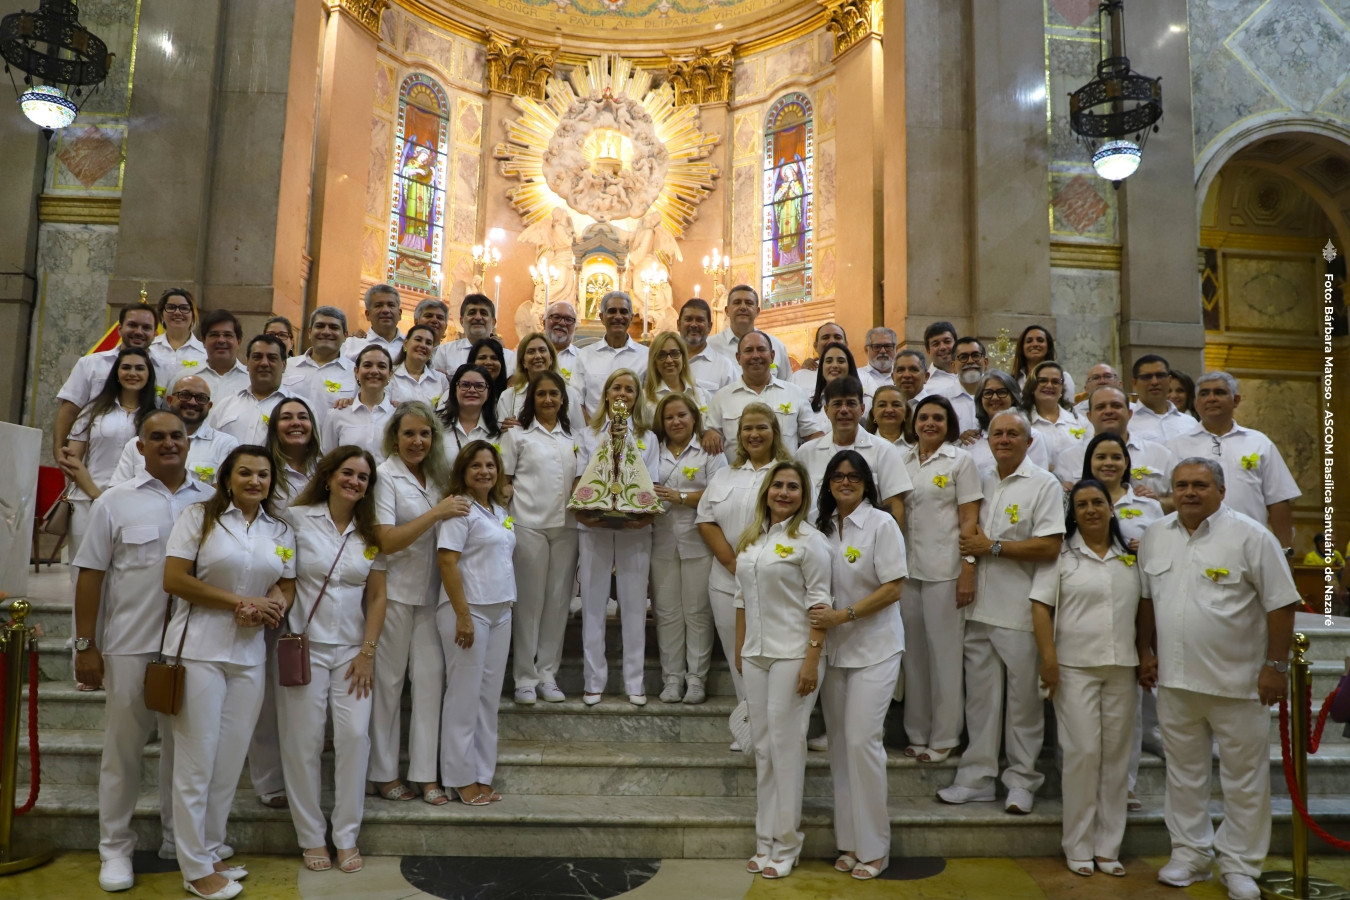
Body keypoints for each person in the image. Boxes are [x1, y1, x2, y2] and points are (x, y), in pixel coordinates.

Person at [1137, 459, 1299, 900]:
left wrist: (1275, 666)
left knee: (1244, 779)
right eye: (1181, 485)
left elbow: (1281, 604)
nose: (1189, 492)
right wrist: (1145, 652)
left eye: (1200, 485)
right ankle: (1189, 854)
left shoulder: (1252, 536)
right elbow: (1147, 599)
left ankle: (1240, 864)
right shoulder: (1156, 535)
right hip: (1175, 682)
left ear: (1222, 491)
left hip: (1239, 682)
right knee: (1183, 775)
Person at [71, 409, 210, 892]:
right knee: (124, 751)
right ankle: (114, 847)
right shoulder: (115, 501)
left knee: (185, 752)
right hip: (131, 644)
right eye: (158, 437)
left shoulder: (210, 501)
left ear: (189, 443)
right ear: (140, 446)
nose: (169, 443)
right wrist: (86, 645)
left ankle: (178, 839)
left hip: (192, 647)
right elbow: (91, 575)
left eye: (177, 436)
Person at [163, 445, 296, 899]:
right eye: (245, 473)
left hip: (249, 655)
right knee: (196, 762)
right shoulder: (200, 517)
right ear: (227, 478)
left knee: (227, 762)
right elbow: (175, 579)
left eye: (263, 474)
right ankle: (194, 867)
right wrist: (239, 602)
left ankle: (211, 847)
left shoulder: (280, 529)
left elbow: (287, 581)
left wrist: (273, 604)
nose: (255, 481)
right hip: (199, 650)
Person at [940, 410, 1065, 814]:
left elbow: (1049, 546)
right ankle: (976, 779)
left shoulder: (1043, 484)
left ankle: (1022, 781)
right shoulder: (980, 479)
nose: (1005, 440)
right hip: (978, 608)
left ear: (1029, 442)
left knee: (1024, 703)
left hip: (1022, 610)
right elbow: (968, 537)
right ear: (988, 440)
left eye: (1013, 434)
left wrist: (992, 547)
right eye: (998, 434)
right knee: (980, 702)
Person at [277, 447, 388, 875]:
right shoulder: (296, 519)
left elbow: (376, 597)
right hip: (304, 647)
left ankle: (346, 836)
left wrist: (368, 652)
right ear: (328, 476)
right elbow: (280, 577)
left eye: (363, 477)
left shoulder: (370, 533)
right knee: (303, 743)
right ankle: (310, 836)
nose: (354, 482)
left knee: (355, 738)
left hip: (352, 653)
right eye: (347, 473)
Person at [1030, 479, 1140, 878]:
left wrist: (1146, 653)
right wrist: (1049, 660)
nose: (1091, 510)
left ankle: (1108, 847)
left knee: (1115, 758)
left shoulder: (1131, 557)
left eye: (1097, 502)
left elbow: (1145, 607)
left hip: (1122, 667)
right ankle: (1077, 845)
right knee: (1082, 754)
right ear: (1073, 514)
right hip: (1074, 668)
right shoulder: (1061, 555)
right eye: (1081, 505)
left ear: (1111, 508)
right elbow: (1040, 608)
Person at [809, 452, 905, 881]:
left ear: (866, 482)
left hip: (877, 648)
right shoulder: (821, 527)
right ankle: (849, 841)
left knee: (863, 742)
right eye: (837, 476)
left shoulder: (882, 524)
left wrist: (843, 616)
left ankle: (875, 847)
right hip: (835, 650)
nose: (845, 482)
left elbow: (893, 588)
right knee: (841, 748)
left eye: (853, 476)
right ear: (828, 483)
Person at [734, 460, 831, 880]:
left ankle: (787, 843)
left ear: (803, 495)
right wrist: (740, 649)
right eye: (778, 486)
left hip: (794, 654)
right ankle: (765, 841)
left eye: (793, 487)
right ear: (766, 492)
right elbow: (741, 599)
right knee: (763, 748)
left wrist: (812, 659)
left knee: (786, 748)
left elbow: (820, 605)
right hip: (756, 654)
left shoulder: (811, 541)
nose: (784, 493)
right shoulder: (752, 538)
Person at [371, 403, 468, 805]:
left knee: (429, 684)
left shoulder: (438, 476)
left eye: (424, 434)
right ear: (395, 438)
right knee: (388, 685)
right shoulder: (383, 476)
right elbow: (386, 540)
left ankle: (426, 775)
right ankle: (383, 773)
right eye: (409, 434)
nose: (417, 441)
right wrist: (437, 513)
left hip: (432, 595)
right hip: (393, 593)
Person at [696, 403, 792, 737]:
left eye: (761, 427)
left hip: (773, 582)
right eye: (747, 429)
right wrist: (733, 563)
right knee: (737, 655)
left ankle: (773, 729)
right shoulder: (725, 474)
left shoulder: (787, 473)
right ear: (738, 435)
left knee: (770, 655)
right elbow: (706, 520)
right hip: (726, 580)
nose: (754, 434)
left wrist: (757, 567)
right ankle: (748, 729)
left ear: (774, 432)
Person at [246, 396, 322, 811]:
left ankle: (306, 775)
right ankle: (269, 778)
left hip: (320, 586)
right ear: (274, 425)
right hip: (272, 586)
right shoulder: (264, 469)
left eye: (303, 416)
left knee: (305, 687)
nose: (296, 423)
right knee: (267, 690)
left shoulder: (324, 468)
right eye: (287, 417)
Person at [898, 395, 982, 763]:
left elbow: (969, 518)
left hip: (945, 572)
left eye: (938, 418)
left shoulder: (960, 461)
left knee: (944, 656)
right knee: (913, 657)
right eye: (923, 417)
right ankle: (917, 732)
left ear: (949, 424)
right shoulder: (901, 460)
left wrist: (968, 568)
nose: (930, 423)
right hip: (906, 572)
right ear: (914, 423)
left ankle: (946, 735)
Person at [436, 440, 516, 804]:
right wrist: (464, 616)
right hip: (469, 611)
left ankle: (483, 774)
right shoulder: (459, 509)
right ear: (463, 472)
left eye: (490, 465)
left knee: (487, 698)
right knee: (463, 696)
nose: (484, 471)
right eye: (476, 466)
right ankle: (459, 776)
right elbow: (447, 561)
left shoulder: (497, 510)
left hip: (501, 609)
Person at [574, 369, 660, 705]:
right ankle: (593, 681)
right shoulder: (588, 434)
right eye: (616, 388)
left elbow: (651, 485)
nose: (622, 394)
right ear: (606, 394)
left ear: (637, 397)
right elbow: (580, 481)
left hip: (635, 530)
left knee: (635, 605)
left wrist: (643, 517)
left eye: (629, 389)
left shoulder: (648, 438)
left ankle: (634, 682)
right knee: (593, 604)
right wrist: (584, 512)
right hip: (593, 527)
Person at [58, 348, 161, 606]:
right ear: (116, 373)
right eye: (126, 367)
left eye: (140, 368)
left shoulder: (155, 416)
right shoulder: (93, 411)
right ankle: (81, 633)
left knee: (123, 579)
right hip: (87, 501)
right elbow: (72, 459)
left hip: (135, 506)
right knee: (83, 576)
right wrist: (98, 496)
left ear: (149, 375)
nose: (132, 373)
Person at [500, 371, 579, 704]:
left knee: (558, 603)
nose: (548, 399)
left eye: (554, 394)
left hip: (567, 528)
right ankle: (524, 678)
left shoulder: (573, 437)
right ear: (532, 398)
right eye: (541, 393)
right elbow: (503, 480)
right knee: (529, 604)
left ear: (563, 399)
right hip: (528, 524)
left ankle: (547, 674)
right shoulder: (517, 435)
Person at [1165, 371, 1300, 553]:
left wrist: (1285, 551)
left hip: (1250, 545)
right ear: (1196, 403)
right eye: (1204, 394)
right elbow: (1167, 499)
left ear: (1236, 400)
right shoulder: (1176, 446)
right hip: (1192, 545)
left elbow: (1278, 499)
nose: (1211, 398)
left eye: (1219, 392)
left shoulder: (1259, 443)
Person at [650, 393, 725, 704]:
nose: (676, 422)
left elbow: (720, 493)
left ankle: (696, 679)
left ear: (694, 417)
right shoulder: (652, 449)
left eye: (682, 415)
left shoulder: (709, 449)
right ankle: (672, 678)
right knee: (667, 613)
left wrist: (679, 497)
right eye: (669, 417)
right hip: (660, 542)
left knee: (697, 613)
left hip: (699, 542)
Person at [795, 376, 911, 523]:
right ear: (826, 410)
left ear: (862, 409)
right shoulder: (805, 453)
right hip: (817, 535)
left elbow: (895, 507)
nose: (844, 410)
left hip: (869, 536)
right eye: (837, 404)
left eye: (851, 403)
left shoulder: (884, 450)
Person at [53, 304, 160, 460]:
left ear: (155, 333)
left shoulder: (164, 369)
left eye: (146, 327)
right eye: (132, 325)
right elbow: (69, 411)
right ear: (119, 329)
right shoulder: (90, 364)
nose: (138, 332)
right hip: (95, 458)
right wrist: (59, 450)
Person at [705, 331, 823, 460]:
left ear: (772, 356)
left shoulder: (795, 393)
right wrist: (709, 434)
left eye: (761, 349)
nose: (755, 355)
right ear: (738, 358)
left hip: (784, 471)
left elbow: (813, 435)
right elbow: (710, 435)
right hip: (738, 471)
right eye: (749, 350)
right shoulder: (721, 398)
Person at [110, 375, 240, 487]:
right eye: (185, 395)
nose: (192, 402)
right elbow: (117, 492)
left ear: (209, 406)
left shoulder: (225, 444)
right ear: (169, 400)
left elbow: (224, 495)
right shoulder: (137, 444)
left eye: (201, 398)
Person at [1055, 385, 1176, 500]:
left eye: (1116, 406)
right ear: (1089, 416)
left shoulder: (1161, 455)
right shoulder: (1068, 458)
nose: (1108, 411)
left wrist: (1156, 502)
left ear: (1130, 414)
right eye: (1100, 407)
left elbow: (1178, 500)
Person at [1081, 433, 1165, 551]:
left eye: (1116, 457)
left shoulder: (1150, 505)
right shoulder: (1073, 503)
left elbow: (1165, 549)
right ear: (1089, 461)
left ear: (1126, 462)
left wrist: (1147, 549)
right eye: (1101, 457)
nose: (1109, 463)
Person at [574, 291, 650, 420]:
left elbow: (650, 400)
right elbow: (576, 401)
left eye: (623, 312)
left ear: (631, 317)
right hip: (593, 430)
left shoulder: (646, 356)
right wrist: (593, 430)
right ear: (602, 317)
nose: (618, 316)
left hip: (634, 431)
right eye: (612, 311)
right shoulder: (585, 355)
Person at [209, 335, 295, 446]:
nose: (264, 363)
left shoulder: (300, 408)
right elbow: (210, 446)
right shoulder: (225, 405)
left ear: (284, 365)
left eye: (272, 358)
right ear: (247, 363)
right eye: (257, 357)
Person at [282, 307, 356, 427]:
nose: (326, 332)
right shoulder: (286, 367)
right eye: (320, 326)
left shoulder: (356, 373)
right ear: (309, 332)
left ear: (345, 336)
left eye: (334, 327)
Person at [965, 371, 1050, 473]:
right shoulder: (971, 440)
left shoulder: (1033, 436)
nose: (995, 398)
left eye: (1002, 392)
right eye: (988, 393)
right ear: (980, 399)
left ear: (1013, 397)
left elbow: (1039, 476)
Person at [320, 345, 395, 457]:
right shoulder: (337, 415)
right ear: (356, 371)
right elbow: (328, 458)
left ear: (390, 374)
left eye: (382, 366)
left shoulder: (398, 415)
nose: (374, 371)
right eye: (367, 365)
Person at [706, 284, 791, 380]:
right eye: (737, 302)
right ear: (727, 311)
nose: (743, 307)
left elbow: (786, 385)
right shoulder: (710, 346)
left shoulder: (776, 346)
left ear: (757, 311)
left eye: (749, 303)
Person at [1022, 360, 1093, 473]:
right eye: (1043, 380)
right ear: (1032, 386)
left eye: (1055, 382)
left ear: (1062, 388)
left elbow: (1090, 457)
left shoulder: (1080, 421)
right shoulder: (1021, 421)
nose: (1049, 385)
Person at [499, 331, 576, 427]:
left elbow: (578, 432)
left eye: (542, 350)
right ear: (523, 362)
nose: (538, 356)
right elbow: (501, 432)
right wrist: (504, 429)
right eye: (531, 352)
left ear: (551, 359)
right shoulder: (508, 396)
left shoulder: (570, 393)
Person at [432, 294, 516, 377]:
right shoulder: (445, 352)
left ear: (493, 322)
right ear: (461, 321)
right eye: (472, 313)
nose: (478, 317)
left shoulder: (510, 357)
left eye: (483, 313)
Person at [678, 298, 740, 396]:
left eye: (700, 320)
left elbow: (734, 402)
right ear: (678, 324)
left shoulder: (724, 367)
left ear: (709, 326)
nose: (693, 324)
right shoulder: (665, 362)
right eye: (688, 319)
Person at [149, 288, 207, 390]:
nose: (177, 312)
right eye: (171, 307)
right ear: (161, 314)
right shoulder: (149, 348)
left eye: (184, 308)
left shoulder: (205, 352)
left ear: (193, 314)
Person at [1129, 355, 1195, 445]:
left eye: (1160, 376)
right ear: (1134, 383)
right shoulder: (1127, 422)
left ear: (1169, 380)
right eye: (1147, 377)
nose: (1154, 382)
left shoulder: (1190, 422)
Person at [644, 331, 712, 412]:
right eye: (662, 355)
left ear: (683, 357)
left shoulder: (702, 395)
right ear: (654, 361)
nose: (669, 360)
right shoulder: (644, 399)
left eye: (674, 353)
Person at [440, 364, 500, 454]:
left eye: (479, 386)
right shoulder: (437, 424)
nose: (472, 390)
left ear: (488, 393)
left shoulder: (499, 429)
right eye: (465, 385)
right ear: (454, 390)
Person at [388, 324, 448, 410]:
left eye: (428, 343)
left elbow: (446, 413)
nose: (423, 345)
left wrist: (406, 408)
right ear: (405, 344)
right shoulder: (390, 376)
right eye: (418, 340)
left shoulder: (441, 379)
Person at [342, 284, 405, 361]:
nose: (385, 310)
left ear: (399, 314)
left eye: (391, 305)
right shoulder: (350, 345)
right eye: (378, 305)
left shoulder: (411, 346)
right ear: (368, 314)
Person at [1012, 324, 1076, 399]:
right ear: (1022, 348)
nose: (1035, 344)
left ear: (1048, 347)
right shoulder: (1014, 380)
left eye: (1040, 340)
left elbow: (1068, 404)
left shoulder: (1063, 377)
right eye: (1029, 341)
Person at [198, 310, 249, 400]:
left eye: (228, 335)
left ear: (239, 342)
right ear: (203, 341)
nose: (221, 340)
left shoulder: (251, 380)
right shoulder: (185, 377)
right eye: (214, 335)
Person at [790, 322, 848, 393]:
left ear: (846, 345)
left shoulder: (859, 375)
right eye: (825, 337)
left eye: (837, 337)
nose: (832, 341)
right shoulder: (798, 378)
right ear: (816, 346)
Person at [807, 342, 862, 415]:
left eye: (841, 361)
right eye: (829, 361)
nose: (835, 365)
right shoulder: (808, 404)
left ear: (849, 366)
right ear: (821, 367)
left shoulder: (862, 400)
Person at [923, 321, 964, 401]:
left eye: (947, 341)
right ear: (928, 351)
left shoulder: (975, 377)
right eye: (936, 344)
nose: (943, 347)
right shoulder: (924, 386)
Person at [543, 301, 580, 383]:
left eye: (568, 319)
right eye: (556, 317)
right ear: (544, 323)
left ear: (575, 328)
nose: (562, 323)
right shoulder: (528, 356)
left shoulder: (583, 359)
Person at [857, 327, 898, 397]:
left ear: (896, 349)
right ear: (866, 350)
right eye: (877, 346)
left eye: (888, 346)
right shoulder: (856, 376)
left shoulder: (903, 377)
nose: (883, 351)